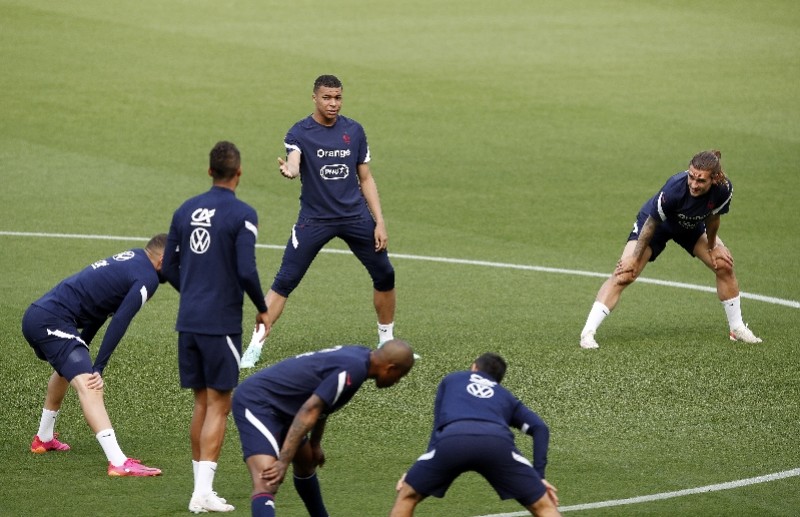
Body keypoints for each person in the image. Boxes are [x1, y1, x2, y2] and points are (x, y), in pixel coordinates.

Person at [241, 74, 395, 368]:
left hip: (355, 217)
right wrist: (291, 169)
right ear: (314, 98)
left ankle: (387, 343)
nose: (333, 103)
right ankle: (254, 346)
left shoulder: (354, 130)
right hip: (315, 220)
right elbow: (294, 158)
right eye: (327, 98)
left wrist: (380, 222)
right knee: (285, 281)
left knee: (385, 274)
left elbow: (365, 178)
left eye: (338, 98)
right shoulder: (300, 132)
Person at [162, 141, 272, 513]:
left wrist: (193, 291)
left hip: (188, 321)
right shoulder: (243, 214)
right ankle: (202, 493)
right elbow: (246, 269)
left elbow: (168, 266)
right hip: (221, 323)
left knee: (201, 402)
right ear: (239, 173)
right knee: (220, 405)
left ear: (210, 171)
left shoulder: (184, 210)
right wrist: (262, 308)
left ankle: (201, 489)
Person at [580, 150, 762, 349]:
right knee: (625, 274)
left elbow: (713, 219)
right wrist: (634, 257)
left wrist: (713, 247)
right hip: (656, 226)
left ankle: (737, 328)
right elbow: (651, 224)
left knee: (723, 264)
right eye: (691, 177)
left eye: (700, 180)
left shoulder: (724, 189)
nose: (693, 184)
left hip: (690, 226)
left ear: (715, 178)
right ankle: (588, 333)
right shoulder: (674, 189)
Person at [22, 234, 167, 477]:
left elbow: (99, 311)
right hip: (50, 321)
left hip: (42, 316)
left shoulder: (135, 257)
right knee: (91, 385)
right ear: (162, 260)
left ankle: (43, 439)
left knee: (66, 371)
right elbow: (120, 319)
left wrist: (83, 346)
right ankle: (118, 462)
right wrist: (98, 367)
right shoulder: (148, 277)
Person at [232, 339, 415, 517]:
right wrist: (282, 462)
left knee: (307, 463)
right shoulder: (354, 369)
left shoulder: (361, 357)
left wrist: (315, 443)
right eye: (399, 377)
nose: (396, 382)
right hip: (258, 402)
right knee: (267, 481)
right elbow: (310, 409)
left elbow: (323, 404)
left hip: (286, 407)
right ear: (390, 368)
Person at [390, 353, 560, 517]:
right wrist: (539, 477)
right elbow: (540, 428)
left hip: (453, 440)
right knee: (543, 507)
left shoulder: (452, 379)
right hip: (497, 444)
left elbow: (438, 428)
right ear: (498, 380)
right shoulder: (506, 396)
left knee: (407, 496)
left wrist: (419, 471)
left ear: (474, 368)